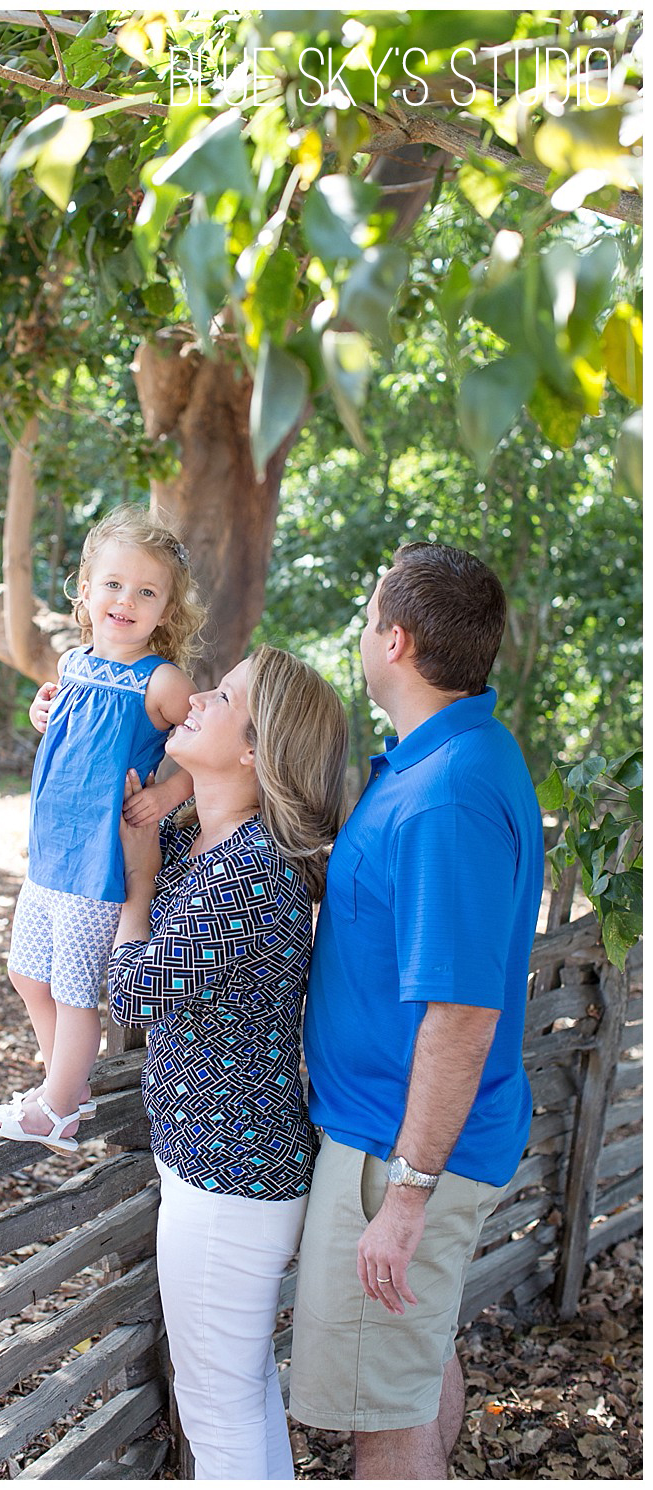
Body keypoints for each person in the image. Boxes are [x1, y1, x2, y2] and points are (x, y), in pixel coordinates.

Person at [289, 542, 545, 1480]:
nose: (362, 635)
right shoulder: (446, 755)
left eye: (366, 619)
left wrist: (404, 1196)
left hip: (396, 1151)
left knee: (381, 1416)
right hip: (393, 1139)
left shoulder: (446, 798)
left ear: (393, 641)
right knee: (410, 1361)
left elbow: (464, 1015)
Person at [108, 644, 349, 1480]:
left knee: (221, 1398)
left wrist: (137, 891)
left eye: (225, 696)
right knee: (227, 1392)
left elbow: (136, 994)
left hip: (231, 1180)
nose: (199, 697)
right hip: (220, 1171)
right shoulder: (210, 846)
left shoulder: (252, 874)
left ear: (255, 750)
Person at [0, 506, 205, 1154]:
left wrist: (167, 792)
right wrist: (42, 710)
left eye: (145, 592)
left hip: (99, 862)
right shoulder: (75, 662)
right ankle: (66, 1089)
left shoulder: (160, 681)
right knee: (28, 975)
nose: (125, 601)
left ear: (166, 610)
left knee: (76, 992)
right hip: (50, 854)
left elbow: (206, 745)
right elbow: (67, 731)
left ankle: (55, 1108)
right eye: (112, 584)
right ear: (84, 590)